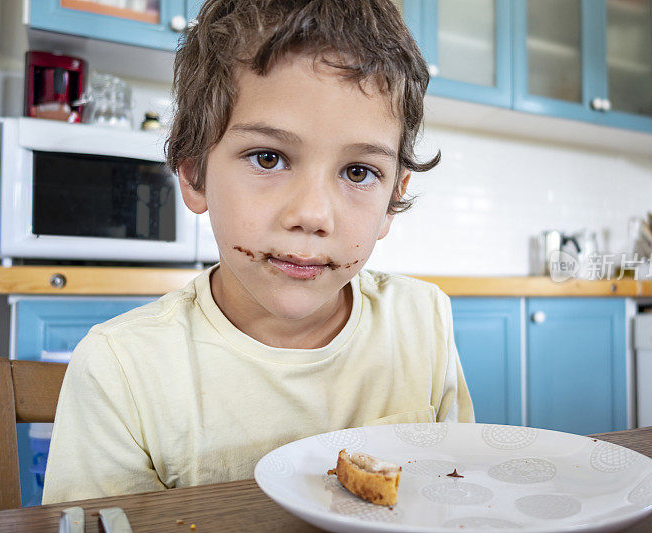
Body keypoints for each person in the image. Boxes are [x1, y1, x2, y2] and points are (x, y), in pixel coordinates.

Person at [42, 0, 474, 503]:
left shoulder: (423, 322)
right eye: (268, 158)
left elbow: (448, 501)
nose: (312, 214)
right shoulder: (121, 368)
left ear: (393, 199)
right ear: (193, 173)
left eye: (358, 172)